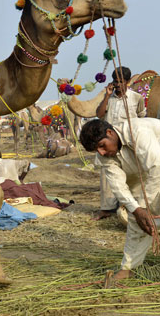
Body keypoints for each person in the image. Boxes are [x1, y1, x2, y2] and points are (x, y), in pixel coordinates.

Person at [80, 118, 160, 280]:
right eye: (97, 150)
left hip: (156, 166)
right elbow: (118, 186)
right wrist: (137, 209)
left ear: (110, 133)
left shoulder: (138, 132)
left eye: (102, 146)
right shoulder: (104, 156)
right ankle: (129, 268)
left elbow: (157, 167)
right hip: (143, 175)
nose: (101, 152)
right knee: (137, 218)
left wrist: (143, 206)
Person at [94, 66, 147, 220]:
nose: (117, 84)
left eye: (120, 82)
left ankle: (132, 207)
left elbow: (141, 117)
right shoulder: (109, 99)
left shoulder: (136, 98)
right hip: (109, 141)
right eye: (115, 81)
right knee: (107, 175)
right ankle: (106, 209)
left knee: (132, 173)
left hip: (128, 141)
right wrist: (106, 95)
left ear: (128, 81)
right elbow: (99, 115)